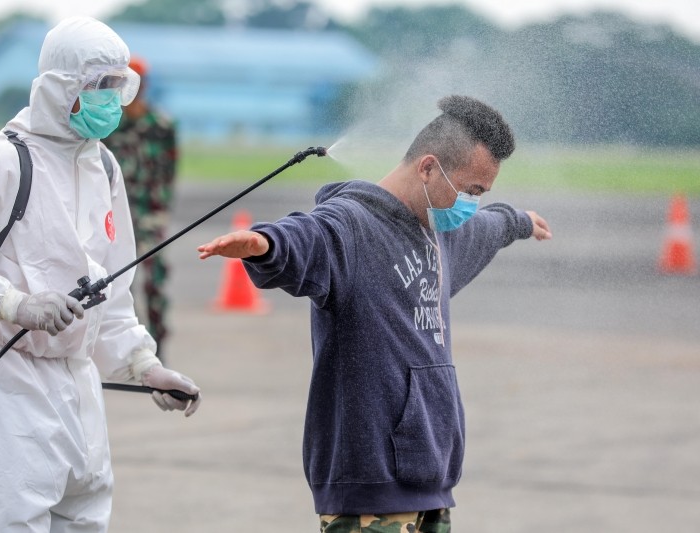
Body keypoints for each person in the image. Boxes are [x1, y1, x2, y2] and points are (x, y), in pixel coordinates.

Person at [0, 17, 200, 532]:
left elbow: (113, 289)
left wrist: (143, 365)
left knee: (83, 518)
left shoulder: (102, 166)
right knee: (1, 523)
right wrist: (11, 304)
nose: (111, 99)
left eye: (117, 85)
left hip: (75, 383)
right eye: (98, 86)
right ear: (61, 89)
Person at [197, 95, 552, 532]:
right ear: (427, 167)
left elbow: (488, 226)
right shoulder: (351, 225)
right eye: (470, 191)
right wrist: (266, 245)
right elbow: (308, 236)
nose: (471, 205)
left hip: (430, 485)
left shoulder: (443, 233)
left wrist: (518, 221)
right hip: (369, 491)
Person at [103, 55, 178, 360]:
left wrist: (160, 212)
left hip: (149, 214)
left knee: (155, 280)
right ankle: (129, 347)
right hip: (115, 215)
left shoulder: (161, 126)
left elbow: (170, 172)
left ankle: (159, 345)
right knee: (121, 280)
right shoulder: (109, 126)